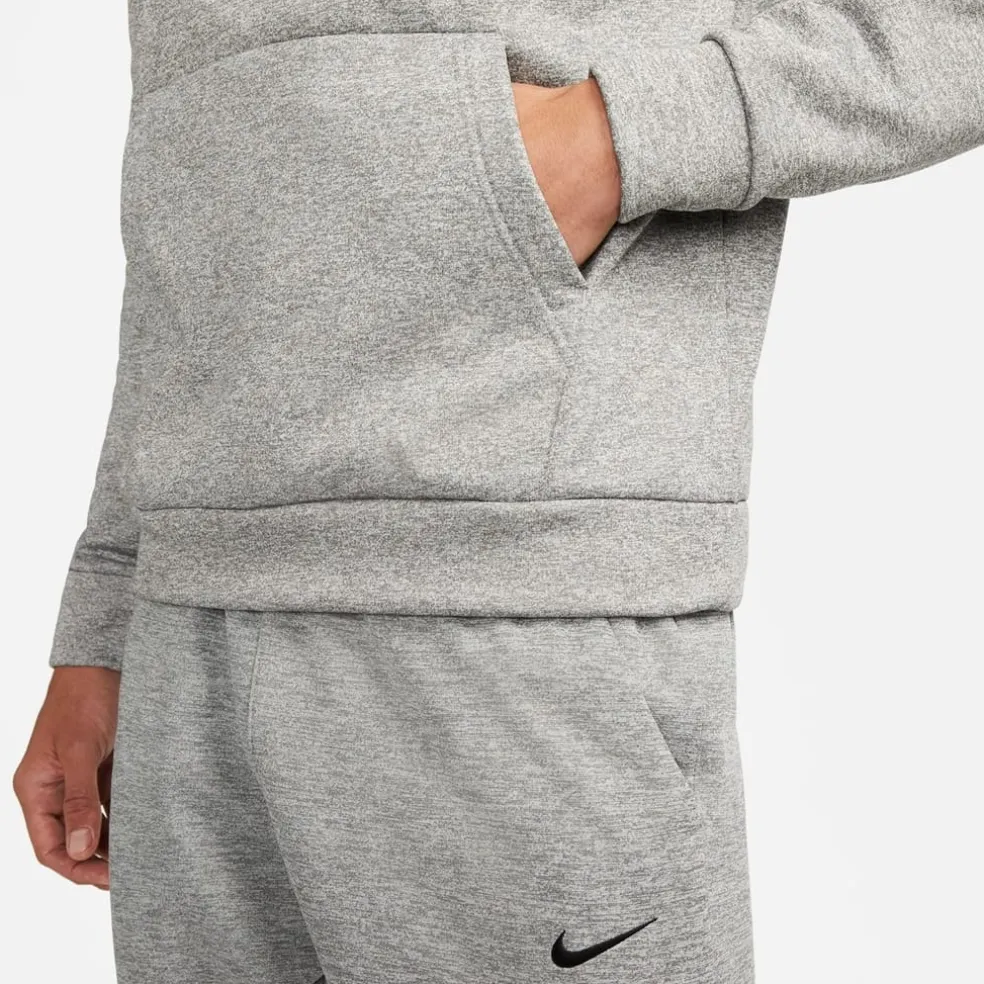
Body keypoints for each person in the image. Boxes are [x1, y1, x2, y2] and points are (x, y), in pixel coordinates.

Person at [13, 1, 984, 982]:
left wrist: (616, 134)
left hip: (512, 587)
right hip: (187, 631)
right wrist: (107, 610)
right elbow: (189, 193)